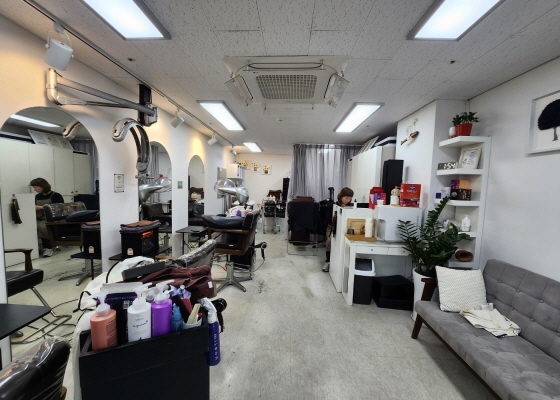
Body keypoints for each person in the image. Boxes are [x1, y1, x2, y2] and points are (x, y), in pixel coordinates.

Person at [30, 178, 64, 257]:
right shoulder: (37, 196)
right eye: (34, 188)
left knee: (43, 227)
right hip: (39, 217)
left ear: (42, 186)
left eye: (36, 187)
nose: (35, 189)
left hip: (51, 218)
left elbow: (59, 208)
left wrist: (42, 207)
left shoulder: (55, 195)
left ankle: (48, 248)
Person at [323, 187, 354, 272]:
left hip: (345, 228)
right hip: (332, 227)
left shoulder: (351, 207)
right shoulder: (333, 206)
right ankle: (328, 261)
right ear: (341, 196)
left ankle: (341, 262)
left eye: (350, 198)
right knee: (329, 242)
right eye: (346, 198)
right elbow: (328, 219)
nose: (348, 200)